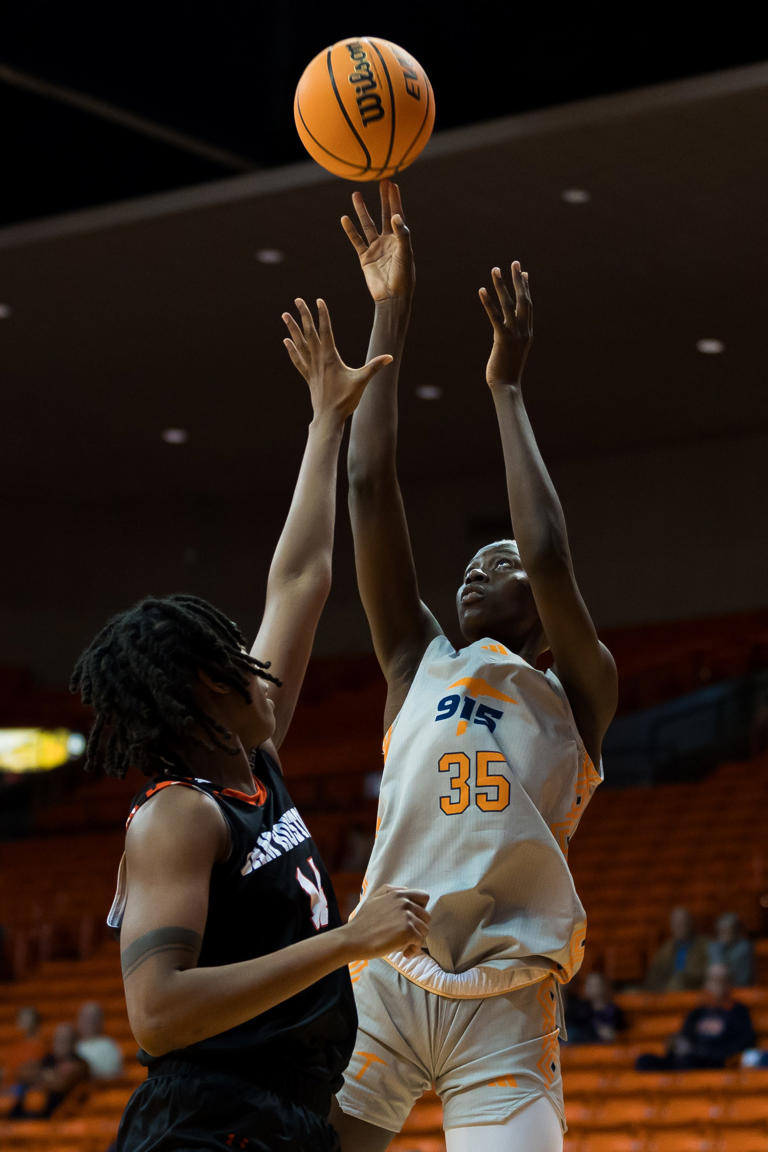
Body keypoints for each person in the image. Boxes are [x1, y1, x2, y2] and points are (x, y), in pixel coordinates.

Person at [69, 297, 430, 1152]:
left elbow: (301, 578)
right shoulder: (178, 816)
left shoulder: (252, 764)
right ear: (205, 684)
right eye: (239, 655)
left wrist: (326, 420)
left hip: (284, 1117)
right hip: (207, 1125)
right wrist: (349, 942)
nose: (262, 665)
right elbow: (156, 1016)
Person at [331, 182, 617, 1152]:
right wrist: (391, 311)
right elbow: (368, 486)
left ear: (538, 611)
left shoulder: (579, 689)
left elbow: (546, 554)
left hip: (507, 1006)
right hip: (387, 978)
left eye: (493, 566)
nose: (475, 569)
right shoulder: (417, 660)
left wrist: (505, 387)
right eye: (469, 561)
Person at [636, 963, 756, 1070]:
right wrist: (676, 1043)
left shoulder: (738, 1011)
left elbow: (745, 1043)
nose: (717, 985)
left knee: (690, 1060)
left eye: (721, 980)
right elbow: (685, 1036)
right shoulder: (698, 1011)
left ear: (730, 983)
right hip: (690, 1058)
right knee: (644, 1060)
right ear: (706, 983)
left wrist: (712, 1053)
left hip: (714, 1062)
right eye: (713, 980)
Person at [9, 1022, 89, 1118]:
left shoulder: (80, 1064)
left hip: (60, 1112)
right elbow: (22, 1072)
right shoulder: (48, 1058)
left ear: (74, 1042)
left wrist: (41, 1077)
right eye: (57, 1039)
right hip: (33, 1108)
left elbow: (61, 1085)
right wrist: (48, 1077)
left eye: (65, 1040)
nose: (60, 1044)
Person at [645, 906, 710, 992]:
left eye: (683, 923)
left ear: (690, 924)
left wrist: (683, 979)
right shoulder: (665, 949)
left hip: (695, 991)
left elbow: (709, 973)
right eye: (676, 924)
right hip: (667, 994)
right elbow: (653, 976)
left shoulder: (705, 945)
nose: (679, 927)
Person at [563, 972, 626, 1044]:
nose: (589, 987)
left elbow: (621, 1032)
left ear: (603, 986)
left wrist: (613, 1034)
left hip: (607, 1047)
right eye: (588, 984)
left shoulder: (614, 1010)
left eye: (594, 985)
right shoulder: (579, 1009)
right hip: (584, 1046)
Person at [75, 1001, 123, 1080]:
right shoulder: (74, 1046)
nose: (90, 1023)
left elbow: (113, 1073)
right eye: (85, 1018)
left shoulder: (109, 1046)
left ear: (101, 1021)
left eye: (93, 1018)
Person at [708, 912, 754, 986]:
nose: (723, 934)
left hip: (740, 988)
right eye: (721, 930)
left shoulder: (744, 947)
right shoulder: (714, 947)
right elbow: (714, 974)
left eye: (727, 930)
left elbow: (742, 979)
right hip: (717, 988)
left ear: (736, 931)